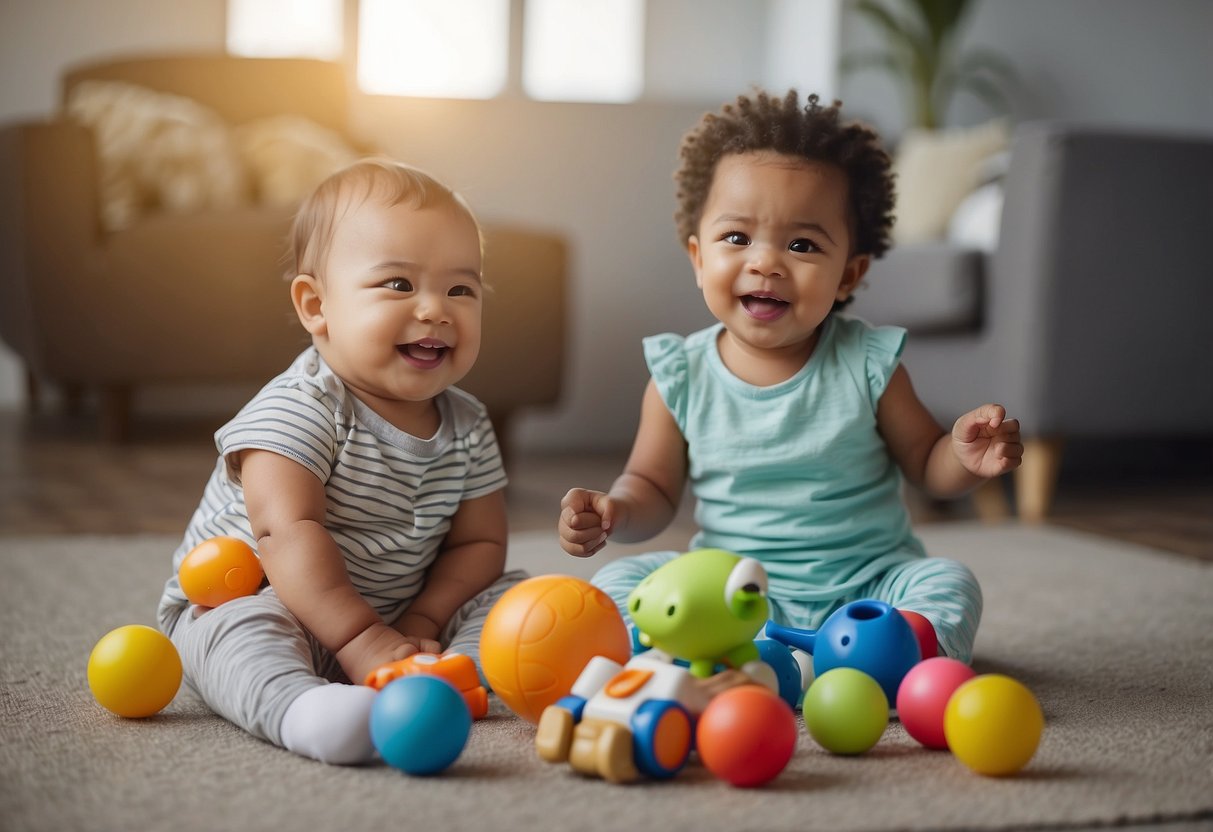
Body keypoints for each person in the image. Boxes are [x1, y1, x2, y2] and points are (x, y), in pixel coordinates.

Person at [558, 90, 1022, 668]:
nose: (766, 262)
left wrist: (961, 455)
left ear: (849, 274)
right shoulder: (680, 376)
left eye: (802, 244)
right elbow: (651, 488)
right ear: (699, 258)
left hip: (866, 592)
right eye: (737, 238)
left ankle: (858, 654)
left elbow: (927, 462)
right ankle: (785, 655)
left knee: (949, 582)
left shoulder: (869, 364)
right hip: (730, 591)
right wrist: (615, 511)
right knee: (620, 581)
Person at [157, 158, 524, 764]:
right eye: (400, 285)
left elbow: (479, 544)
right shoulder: (298, 410)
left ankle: (460, 671)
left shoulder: (469, 422)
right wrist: (361, 640)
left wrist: (422, 618)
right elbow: (285, 533)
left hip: (400, 612)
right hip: (279, 601)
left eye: (461, 288)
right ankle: (303, 710)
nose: (436, 309)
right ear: (315, 305)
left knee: (514, 596)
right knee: (234, 630)